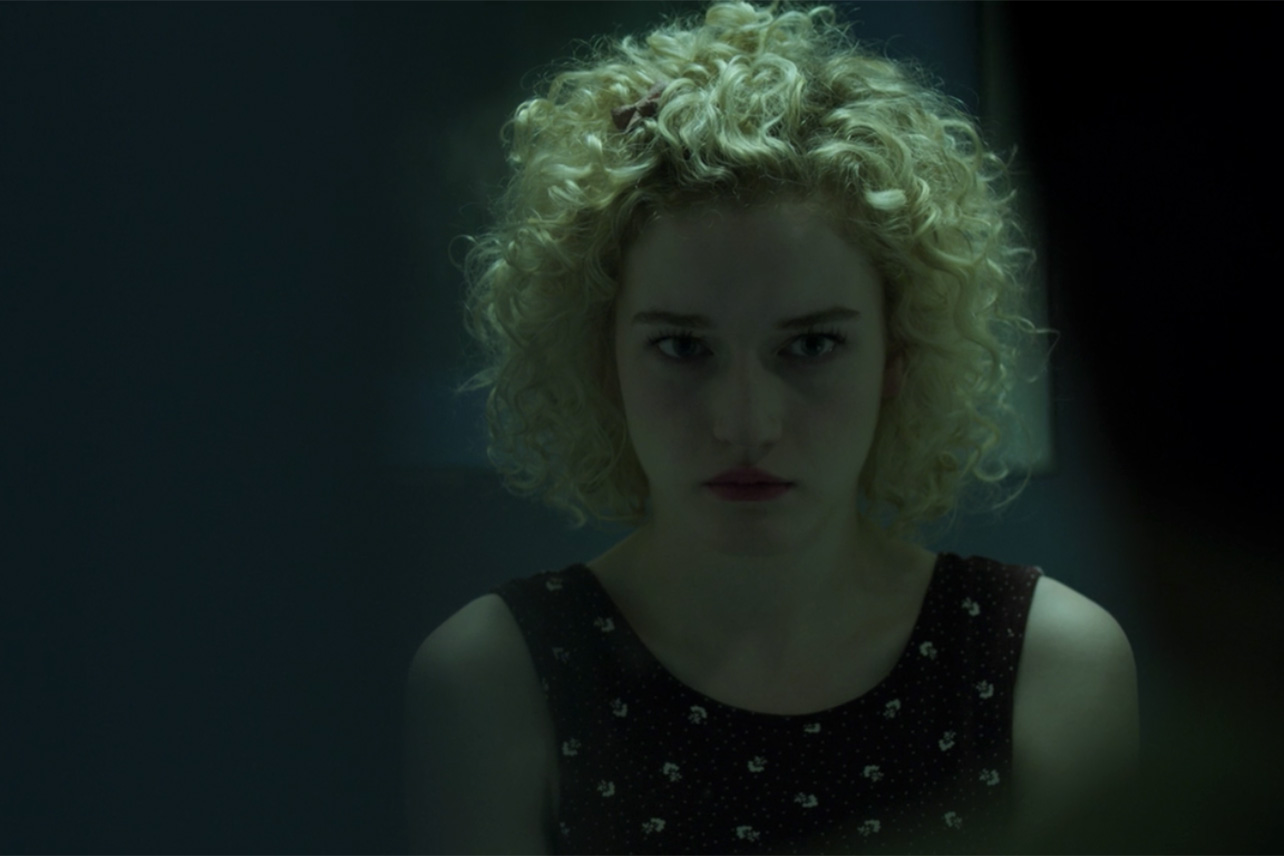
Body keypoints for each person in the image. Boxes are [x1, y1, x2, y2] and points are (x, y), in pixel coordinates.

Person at [404, 2, 1138, 853]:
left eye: (812, 345)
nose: (745, 422)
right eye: (682, 348)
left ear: (897, 357)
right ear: (603, 361)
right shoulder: (495, 680)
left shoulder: (1048, 663)